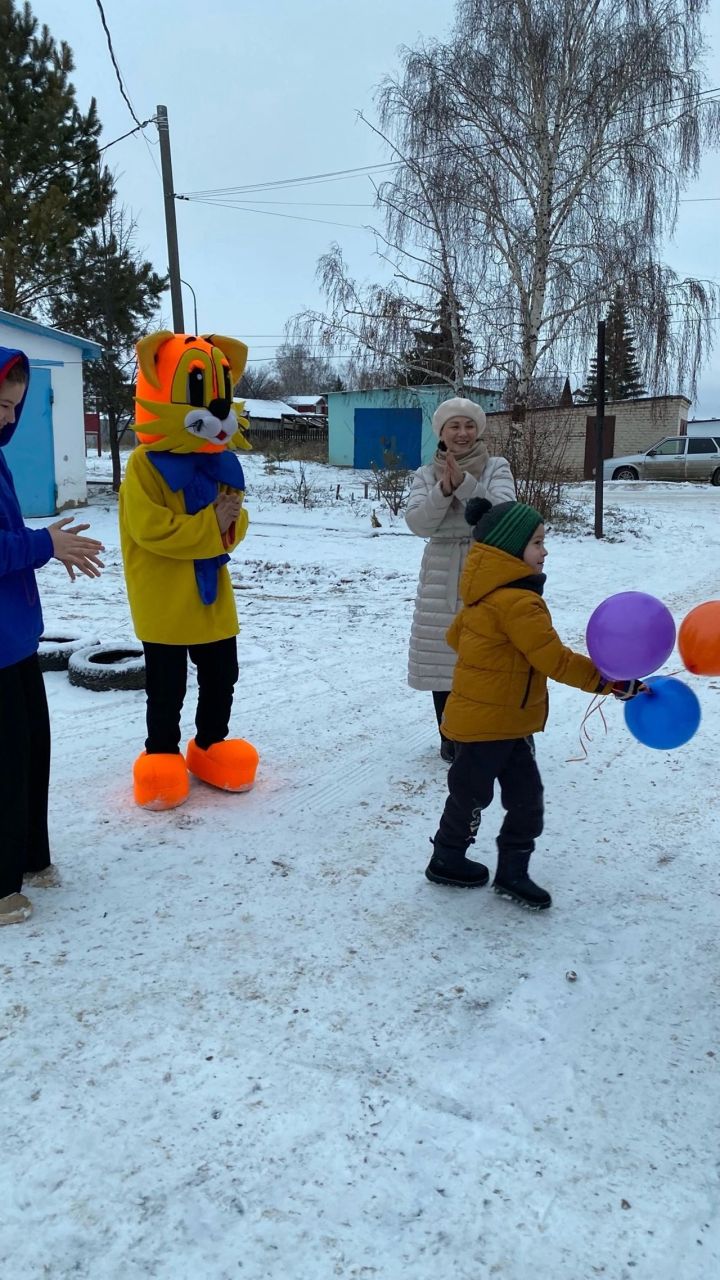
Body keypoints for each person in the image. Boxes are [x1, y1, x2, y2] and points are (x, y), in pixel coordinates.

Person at [424, 497, 645, 909]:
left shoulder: (483, 597)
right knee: (486, 795)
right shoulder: (518, 603)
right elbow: (554, 660)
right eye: (537, 543)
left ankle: (511, 872)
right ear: (511, 550)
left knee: (507, 795)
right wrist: (611, 682)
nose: (545, 551)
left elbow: (455, 638)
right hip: (490, 723)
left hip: (502, 720)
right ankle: (449, 858)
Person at [119, 330, 257, 811]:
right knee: (167, 683)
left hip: (212, 592)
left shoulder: (221, 464)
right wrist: (210, 524)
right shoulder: (144, 467)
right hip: (164, 595)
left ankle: (210, 744)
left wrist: (227, 525)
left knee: (223, 671)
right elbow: (149, 529)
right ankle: (161, 754)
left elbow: (234, 523)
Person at [0, 347, 105, 926]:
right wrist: (45, 545)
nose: (7, 419)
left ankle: (29, 857)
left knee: (32, 752)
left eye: (14, 407)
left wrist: (44, 543)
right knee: (4, 764)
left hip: (16, 636)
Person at [405, 397, 515, 762]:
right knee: (442, 658)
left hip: (488, 567)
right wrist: (443, 490)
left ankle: (489, 734)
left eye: (469, 425)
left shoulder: (497, 467)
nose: (462, 433)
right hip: (442, 571)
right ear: (442, 432)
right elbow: (419, 523)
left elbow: (502, 514)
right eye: (454, 426)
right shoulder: (424, 474)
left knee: (489, 655)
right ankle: (449, 735)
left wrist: (465, 484)